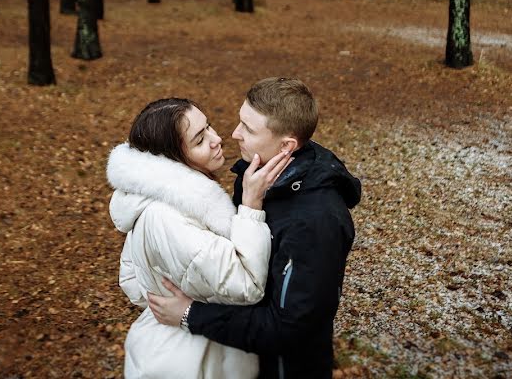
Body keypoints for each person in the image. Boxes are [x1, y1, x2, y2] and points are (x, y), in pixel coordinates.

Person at [147, 78, 362, 379]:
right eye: (240, 121)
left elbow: (289, 329)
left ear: (287, 145)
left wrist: (190, 314)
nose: (234, 133)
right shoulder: (254, 178)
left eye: (248, 128)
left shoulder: (317, 222)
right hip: (242, 360)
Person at [108, 97, 294, 378]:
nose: (217, 139)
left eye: (208, 127)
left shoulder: (150, 200)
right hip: (187, 363)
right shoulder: (167, 218)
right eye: (199, 140)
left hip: (170, 348)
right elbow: (249, 284)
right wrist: (251, 206)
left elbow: (132, 280)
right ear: (173, 159)